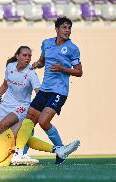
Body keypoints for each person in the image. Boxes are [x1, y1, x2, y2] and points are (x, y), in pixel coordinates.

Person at [0, 83, 79, 167]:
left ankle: (57, 150)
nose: (1, 94)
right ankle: (19, 153)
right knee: (27, 122)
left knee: (22, 135)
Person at [28, 17, 83, 164]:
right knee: (29, 121)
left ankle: (60, 150)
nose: (67, 30)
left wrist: (62, 69)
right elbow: (42, 61)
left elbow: (79, 72)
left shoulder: (72, 48)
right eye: (64, 27)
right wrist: (36, 64)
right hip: (44, 89)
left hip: (59, 91)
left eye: (69, 28)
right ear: (57, 29)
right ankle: (22, 155)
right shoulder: (46, 43)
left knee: (43, 121)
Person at [0, 46, 40, 133]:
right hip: (6, 103)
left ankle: (2, 146)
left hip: (21, 106)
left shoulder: (31, 73)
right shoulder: (10, 66)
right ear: (17, 56)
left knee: (4, 124)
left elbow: (38, 93)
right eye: (24, 55)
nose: (27, 58)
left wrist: (40, 108)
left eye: (29, 56)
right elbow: (5, 85)